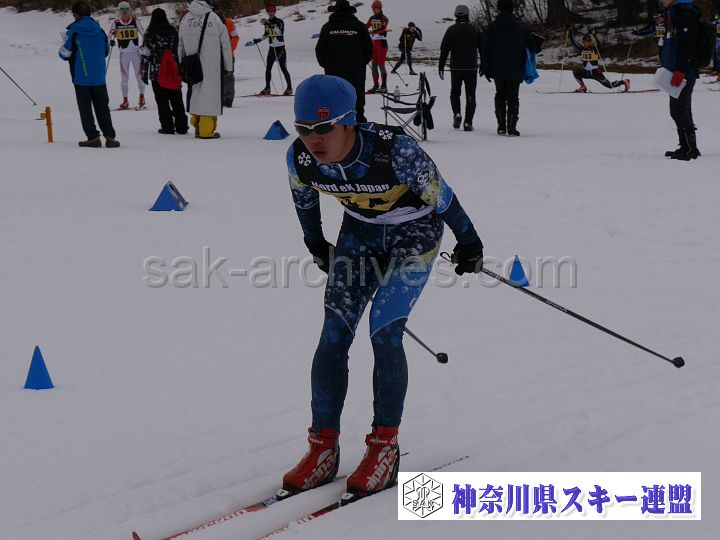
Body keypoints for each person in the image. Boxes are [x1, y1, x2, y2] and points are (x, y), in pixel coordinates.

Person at [282, 74, 484, 498]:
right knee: (334, 333)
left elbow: (442, 197)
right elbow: (304, 201)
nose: (312, 139)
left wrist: (469, 242)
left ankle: (384, 448)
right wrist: (316, 244)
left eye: (323, 128)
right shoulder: (300, 158)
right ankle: (322, 447)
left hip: (415, 233)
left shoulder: (395, 151)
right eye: (303, 128)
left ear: (349, 122)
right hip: (360, 234)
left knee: (384, 330)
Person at [59, 1, 120, 148]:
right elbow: (105, 51)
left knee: (85, 108)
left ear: (75, 15)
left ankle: (93, 137)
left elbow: (64, 54)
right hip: (99, 76)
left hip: (81, 76)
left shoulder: (74, 31)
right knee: (102, 107)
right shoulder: (100, 31)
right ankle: (110, 136)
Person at [179, 0, 232, 139]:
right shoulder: (214, 18)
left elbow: (180, 44)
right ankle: (206, 130)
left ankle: (197, 123)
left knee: (195, 93)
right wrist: (228, 66)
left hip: (192, 64)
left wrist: (181, 64)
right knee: (210, 95)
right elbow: (226, 44)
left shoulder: (186, 19)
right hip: (212, 65)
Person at [316, 0, 373, 122]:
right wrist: (360, 63)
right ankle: (358, 124)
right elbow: (369, 50)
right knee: (356, 100)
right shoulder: (360, 26)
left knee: (334, 99)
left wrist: (328, 64)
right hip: (355, 71)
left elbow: (320, 51)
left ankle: (335, 125)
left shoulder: (327, 27)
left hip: (333, 71)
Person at [483, 0, 534, 136]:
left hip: (497, 68)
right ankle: (511, 127)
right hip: (515, 68)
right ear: (512, 9)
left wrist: (486, 68)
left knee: (499, 95)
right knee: (513, 97)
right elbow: (531, 46)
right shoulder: (521, 27)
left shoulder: (492, 27)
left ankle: (501, 125)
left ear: (498, 8)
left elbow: (485, 50)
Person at [660, 0, 702, 160]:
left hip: (684, 72)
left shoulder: (686, 15)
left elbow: (688, 45)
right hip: (676, 70)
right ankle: (685, 146)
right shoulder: (675, 14)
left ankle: (691, 148)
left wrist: (681, 69)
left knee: (678, 109)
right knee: (682, 108)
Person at [140, 8, 189, 134]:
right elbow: (180, 51)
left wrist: (144, 73)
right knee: (177, 99)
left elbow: (145, 54)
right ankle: (182, 126)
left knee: (162, 102)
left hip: (157, 73)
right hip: (173, 71)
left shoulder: (150, 34)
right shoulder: (173, 32)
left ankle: (167, 127)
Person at [439, 4, 483, 131]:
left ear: (455, 15)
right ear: (467, 14)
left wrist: (441, 66)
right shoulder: (474, 29)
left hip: (456, 68)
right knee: (471, 95)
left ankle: (457, 113)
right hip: (471, 68)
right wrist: (484, 65)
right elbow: (482, 48)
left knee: (455, 92)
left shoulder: (451, 30)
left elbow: (444, 49)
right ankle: (468, 122)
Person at [109, 1, 146, 110]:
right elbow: (109, 35)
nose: (124, 12)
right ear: (119, 11)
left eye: (126, 9)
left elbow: (144, 34)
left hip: (135, 53)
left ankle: (142, 97)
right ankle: (125, 100)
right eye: (122, 10)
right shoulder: (116, 23)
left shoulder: (135, 21)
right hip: (123, 54)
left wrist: (144, 45)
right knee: (124, 79)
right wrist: (111, 40)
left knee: (139, 77)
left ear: (129, 10)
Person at [251, 4, 292, 95]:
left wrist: (271, 25)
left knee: (283, 68)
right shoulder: (266, 23)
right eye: (269, 12)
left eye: (273, 11)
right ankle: (267, 88)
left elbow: (280, 32)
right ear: (267, 12)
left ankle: (289, 88)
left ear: (275, 12)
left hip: (280, 48)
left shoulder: (280, 21)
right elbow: (266, 34)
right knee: (268, 68)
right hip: (271, 48)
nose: (271, 13)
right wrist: (259, 40)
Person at [216, 8, 239, 107]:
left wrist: (228, 49)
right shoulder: (208, 23)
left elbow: (235, 37)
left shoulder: (229, 22)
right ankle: (218, 98)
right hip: (213, 56)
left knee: (228, 76)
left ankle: (228, 98)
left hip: (228, 55)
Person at [366, 0, 390, 93]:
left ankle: (384, 86)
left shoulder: (384, 18)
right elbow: (366, 26)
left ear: (379, 8)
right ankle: (376, 85)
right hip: (374, 44)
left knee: (381, 65)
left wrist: (374, 31)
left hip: (381, 44)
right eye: (373, 8)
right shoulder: (372, 18)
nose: (373, 10)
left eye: (375, 8)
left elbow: (383, 29)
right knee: (374, 65)